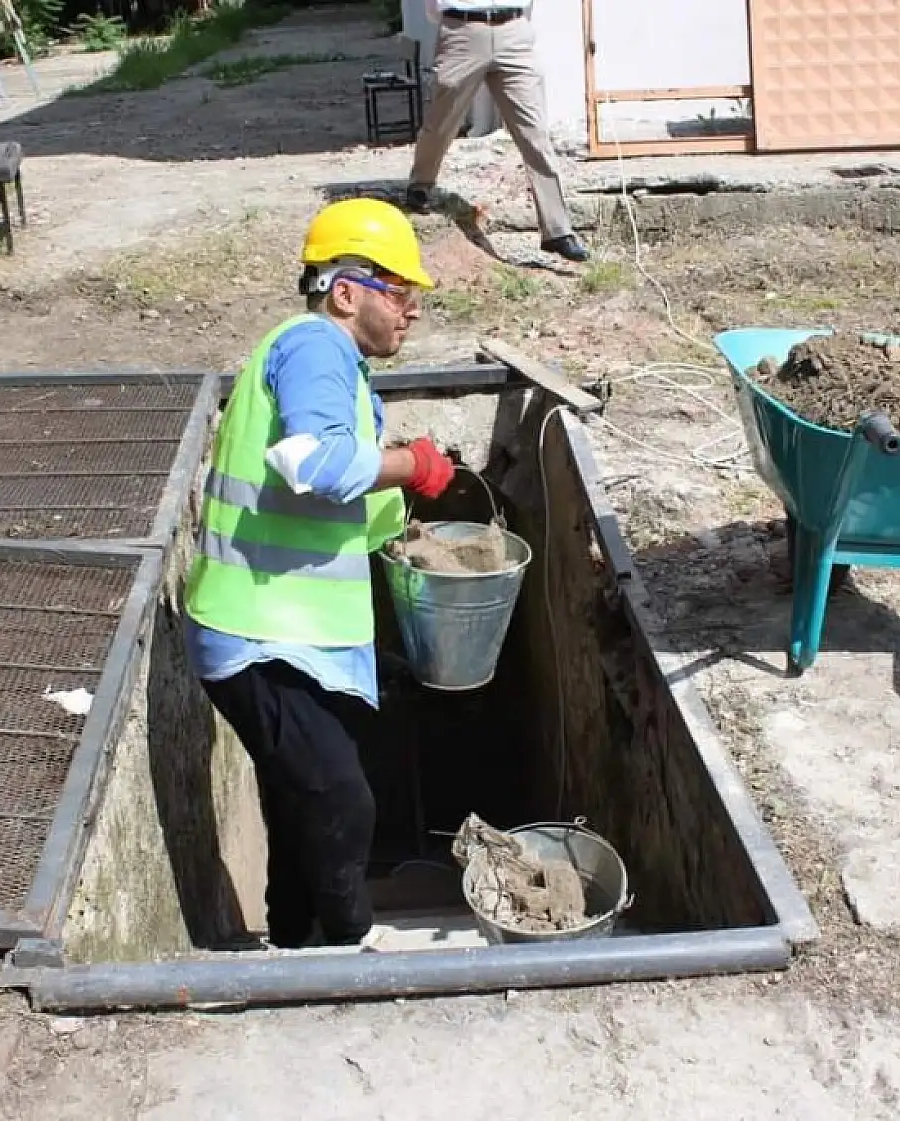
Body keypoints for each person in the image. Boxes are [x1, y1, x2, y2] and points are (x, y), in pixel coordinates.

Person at [182, 198, 457, 949]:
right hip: (256, 634)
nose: (412, 312)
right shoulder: (314, 348)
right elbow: (313, 466)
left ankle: (294, 946)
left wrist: (402, 522)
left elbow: (325, 502)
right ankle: (348, 950)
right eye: (401, 293)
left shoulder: (341, 371)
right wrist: (414, 464)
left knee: (299, 800)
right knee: (340, 799)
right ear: (346, 292)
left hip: (292, 632)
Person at [406, 0, 589, 263]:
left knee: (534, 131)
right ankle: (421, 182)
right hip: (463, 30)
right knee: (442, 122)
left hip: (514, 31)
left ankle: (557, 230)